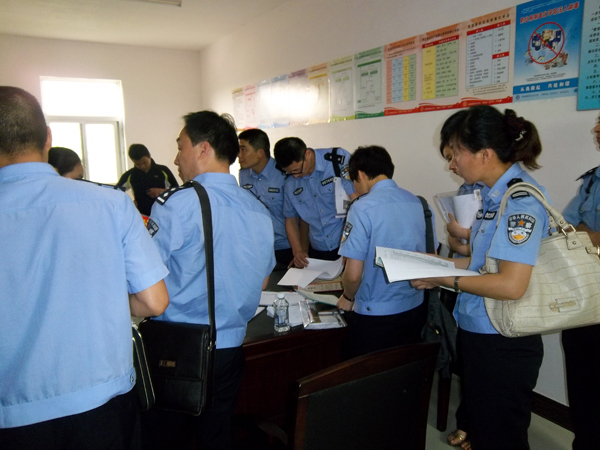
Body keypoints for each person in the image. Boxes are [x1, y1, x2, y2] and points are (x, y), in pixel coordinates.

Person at [0, 86, 170, 450]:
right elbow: (154, 301)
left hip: (14, 415)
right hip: (102, 406)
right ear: (48, 138)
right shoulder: (111, 204)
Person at [412, 105, 548, 450]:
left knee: (500, 436)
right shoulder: (491, 197)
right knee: (485, 429)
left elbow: (510, 285)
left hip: (503, 338)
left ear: (484, 154)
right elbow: (483, 264)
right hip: (480, 329)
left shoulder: (519, 201)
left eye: (455, 154)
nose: (451, 164)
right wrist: (440, 265)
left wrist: (444, 278)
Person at [141, 111, 275, 450]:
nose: (176, 159)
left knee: (164, 439)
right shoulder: (258, 209)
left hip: (176, 350)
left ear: (203, 149)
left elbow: (145, 284)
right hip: (230, 351)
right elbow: (261, 282)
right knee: (216, 437)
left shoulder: (176, 205)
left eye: (180, 146)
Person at [336, 145, 428, 359]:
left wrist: (347, 297)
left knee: (373, 374)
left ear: (360, 174)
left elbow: (353, 274)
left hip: (376, 315)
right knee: (405, 368)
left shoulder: (361, 207)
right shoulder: (416, 201)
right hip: (415, 307)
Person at [560, 116, 600, 450]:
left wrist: (586, 234)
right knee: (583, 386)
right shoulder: (592, 180)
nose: (596, 131)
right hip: (585, 294)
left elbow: (581, 234)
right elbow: (564, 230)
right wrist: (587, 234)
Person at [273, 137, 358, 268]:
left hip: (346, 244)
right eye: (289, 172)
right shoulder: (290, 183)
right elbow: (290, 219)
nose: (295, 175)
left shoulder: (337, 161)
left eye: (297, 170)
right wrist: (298, 251)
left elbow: (357, 202)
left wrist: (352, 244)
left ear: (307, 154)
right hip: (318, 248)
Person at [238, 128, 293, 267]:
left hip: (286, 248)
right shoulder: (243, 174)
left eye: (243, 149)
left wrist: (300, 250)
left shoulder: (284, 173)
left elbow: (299, 215)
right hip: (258, 248)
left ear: (260, 153)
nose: (239, 155)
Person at [116, 143, 179, 215]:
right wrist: (129, 203)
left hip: (163, 213)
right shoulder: (130, 175)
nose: (142, 166)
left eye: (145, 162)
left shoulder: (163, 171)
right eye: (138, 164)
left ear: (149, 156)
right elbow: (116, 192)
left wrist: (161, 191)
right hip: (141, 216)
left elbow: (177, 191)